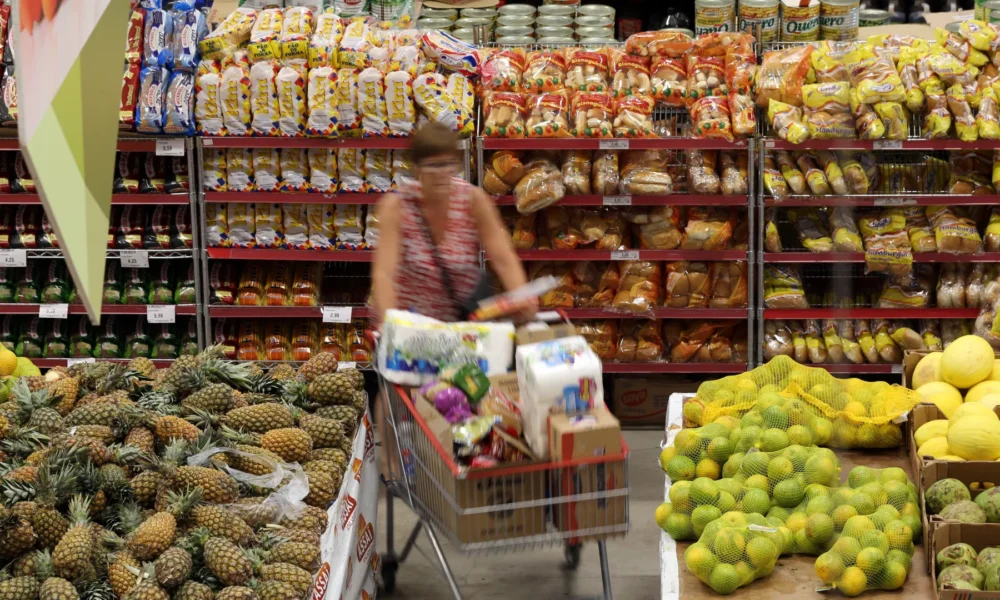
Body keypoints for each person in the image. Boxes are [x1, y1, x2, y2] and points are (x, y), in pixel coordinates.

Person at [371, 122, 533, 476]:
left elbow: (503, 256)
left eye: (449, 164)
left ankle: (464, 459)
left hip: (460, 321)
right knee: (400, 389)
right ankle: (392, 462)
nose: (443, 174)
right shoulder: (397, 208)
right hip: (413, 321)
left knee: (467, 394)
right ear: (416, 168)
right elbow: (383, 272)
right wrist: (391, 324)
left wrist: (520, 295)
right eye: (433, 166)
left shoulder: (472, 200)